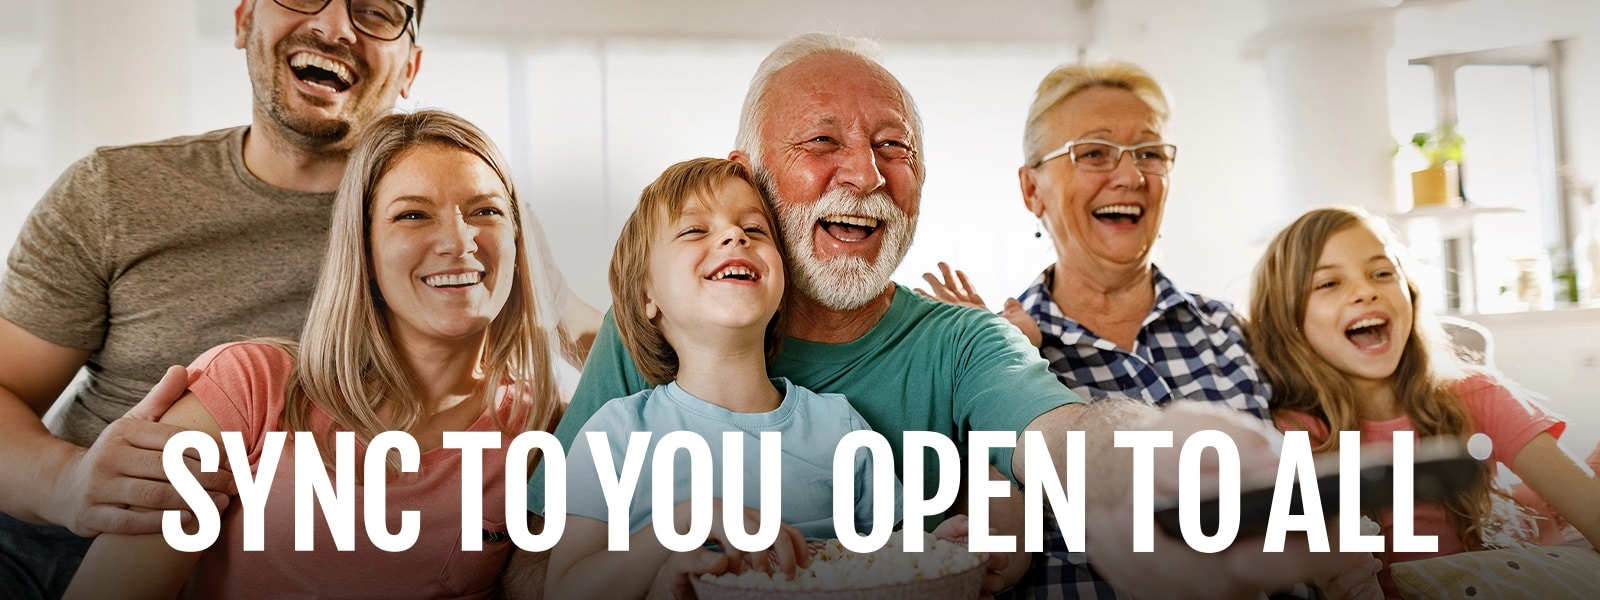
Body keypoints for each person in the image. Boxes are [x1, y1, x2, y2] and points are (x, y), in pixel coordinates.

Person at [527, 33, 1351, 600]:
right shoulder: (659, 344)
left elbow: (1064, 438)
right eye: (821, 141)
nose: (869, 174)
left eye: (896, 147)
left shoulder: (963, 345)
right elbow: (539, 577)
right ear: (749, 173)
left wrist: (1151, 466)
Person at [0, 1, 596, 596]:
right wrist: (69, 483)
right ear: (242, 21)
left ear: (410, 66)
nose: (334, 27)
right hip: (62, 538)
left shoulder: (471, 231)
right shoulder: (112, 194)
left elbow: (610, 347)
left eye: (375, 11)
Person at [61, 109, 563, 598]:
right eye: (412, 214)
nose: (459, 241)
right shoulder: (247, 387)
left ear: (517, 241)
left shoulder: (543, 428)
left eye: (486, 211)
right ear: (363, 251)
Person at [917, 60, 1282, 598]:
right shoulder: (999, 359)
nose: (1131, 176)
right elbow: (988, 539)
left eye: (1150, 154)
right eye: (1093, 153)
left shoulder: (1237, 331)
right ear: (1031, 190)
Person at [549, 157, 976, 597]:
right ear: (646, 297)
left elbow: (891, 557)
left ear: (780, 288)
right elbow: (563, 590)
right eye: (695, 230)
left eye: (755, 231)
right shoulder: (615, 435)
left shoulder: (841, 429)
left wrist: (936, 553)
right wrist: (684, 521)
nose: (735, 236)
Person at [1247, 206, 1600, 598]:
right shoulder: (1292, 433)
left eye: (1383, 273)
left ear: (1410, 295)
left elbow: (1587, 503)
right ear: (1287, 318)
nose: (1366, 291)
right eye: (1329, 283)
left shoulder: (1476, 393)